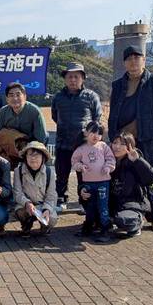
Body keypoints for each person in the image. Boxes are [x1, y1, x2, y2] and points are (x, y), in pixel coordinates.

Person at [108, 45, 153, 232]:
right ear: (124, 63)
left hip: (147, 138)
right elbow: (114, 110)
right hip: (125, 140)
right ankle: (126, 211)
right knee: (123, 176)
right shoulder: (117, 85)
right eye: (129, 58)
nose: (133, 61)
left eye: (137, 57)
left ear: (144, 60)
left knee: (151, 176)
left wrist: (148, 125)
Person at [51, 62, 102, 212]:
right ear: (65, 79)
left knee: (84, 174)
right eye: (69, 77)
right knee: (61, 173)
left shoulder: (91, 96)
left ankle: (83, 201)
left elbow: (97, 119)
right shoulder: (58, 97)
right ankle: (61, 199)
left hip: (83, 144)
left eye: (76, 76)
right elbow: (55, 116)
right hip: (63, 143)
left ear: (83, 78)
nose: (73, 80)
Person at [98, 132, 153, 238]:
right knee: (94, 216)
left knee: (123, 220)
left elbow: (152, 178)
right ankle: (113, 219)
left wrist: (137, 161)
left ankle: (137, 221)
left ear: (129, 146)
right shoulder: (106, 160)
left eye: (122, 144)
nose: (117, 147)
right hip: (111, 204)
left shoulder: (133, 162)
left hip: (131, 203)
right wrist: (83, 189)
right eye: (115, 143)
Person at [72, 121, 115, 243]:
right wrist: (80, 166)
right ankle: (88, 226)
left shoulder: (103, 146)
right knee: (90, 206)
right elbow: (74, 161)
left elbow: (111, 159)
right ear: (86, 133)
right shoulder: (81, 148)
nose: (96, 136)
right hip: (88, 182)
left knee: (103, 206)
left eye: (99, 133)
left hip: (103, 182)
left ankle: (105, 229)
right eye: (93, 132)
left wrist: (108, 167)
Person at [13, 141, 58, 237]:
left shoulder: (50, 172)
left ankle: (45, 227)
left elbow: (52, 195)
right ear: (25, 157)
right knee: (20, 213)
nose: (33, 158)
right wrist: (27, 203)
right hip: (25, 205)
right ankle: (26, 225)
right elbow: (17, 193)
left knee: (52, 219)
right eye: (30, 155)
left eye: (36, 155)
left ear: (43, 157)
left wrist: (47, 209)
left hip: (42, 205)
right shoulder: (18, 171)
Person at [0, 82, 47, 166]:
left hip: (30, 148)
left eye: (18, 94)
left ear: (25, 96)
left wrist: (27, 151)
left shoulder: (34, 111)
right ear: (7, 99)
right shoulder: (3, 112)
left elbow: (41, 139)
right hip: (9, 148)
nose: (15, 98)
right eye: (11, 95)